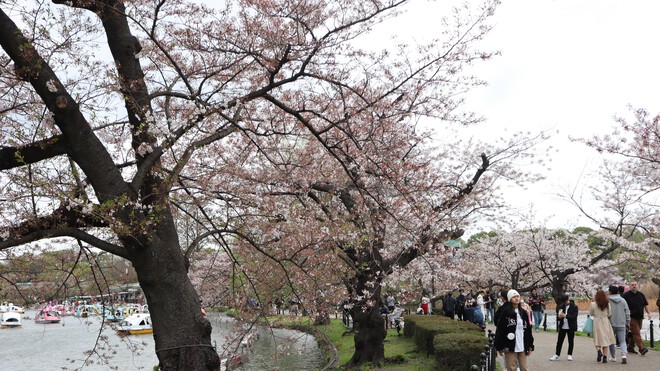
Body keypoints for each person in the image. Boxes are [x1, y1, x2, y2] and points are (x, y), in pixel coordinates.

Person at [494, 289, 534, 371]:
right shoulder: (506, 312)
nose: (516, 299)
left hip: (522, 343)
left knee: (524, 367)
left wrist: (530, 345)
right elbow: (500, 329)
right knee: (511, 367)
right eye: (514, 297)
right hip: (510, 344)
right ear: (510, 299)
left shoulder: (523, 312)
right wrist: (499, 346)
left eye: (518, 296)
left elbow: (528, 330)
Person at [622, 281, 651, 355]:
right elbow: (622, 306)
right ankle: (642, 348)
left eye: (635, 285)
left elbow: (645, 304)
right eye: (632, 285)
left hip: (640, 317)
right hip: (631, 317)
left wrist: (649, 313)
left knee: (635, 333)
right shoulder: (625, 295)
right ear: (629, 286)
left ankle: (630, 347)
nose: (634, 286)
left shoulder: (641, 294)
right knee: (636, 333)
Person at [589, 289, 616, 363]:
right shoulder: (607, 303)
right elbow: (610, 314)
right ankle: (605, 357)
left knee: (597, 338)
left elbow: (591, 313)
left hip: (597, 321)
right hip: (605, 321)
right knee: (605, 339)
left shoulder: (593, 304)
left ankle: (598, 351)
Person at [549, 294, 578, 361]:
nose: (565, 303)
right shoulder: (561, 307)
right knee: (559, 341)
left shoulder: (574, 307)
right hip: (563, 326)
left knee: (571, 341)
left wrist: (565, 316)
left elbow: (574, 317)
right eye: (564, 302)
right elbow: (559, 317)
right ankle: (557, 354)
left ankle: (569, 354)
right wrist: (559, 317)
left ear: (568, 299)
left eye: (566, 301)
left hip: (570, 326)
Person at [607, 285, 630, 364]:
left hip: (611, 324)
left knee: (611, 341)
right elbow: (627, 312)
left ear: (610, 292)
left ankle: (613, 356)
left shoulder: (607, 301)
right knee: (622, 341)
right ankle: (624, 355)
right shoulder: (623, 300)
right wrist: (628, 322)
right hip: (621, 323)